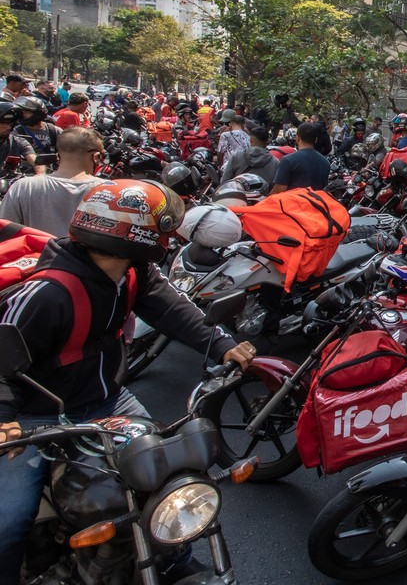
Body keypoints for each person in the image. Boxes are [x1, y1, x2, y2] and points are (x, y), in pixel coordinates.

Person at [0, 180, 258, 582]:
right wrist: (3, 418)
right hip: (34, 416)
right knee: (8, 521)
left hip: (108, 400)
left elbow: (175, 310)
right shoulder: (47, 293)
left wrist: (225, 344)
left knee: (166, 477)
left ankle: (171, 556)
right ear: (140, 235)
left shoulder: (132, 273)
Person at [0, 127, 104, 236]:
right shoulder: (106, 190)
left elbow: (5, 231)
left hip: (37, 252)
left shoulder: (24, 186)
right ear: (96, 157)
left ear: (58, 156)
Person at [270, 122, 332, 193]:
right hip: (317, 203)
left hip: (293, 203)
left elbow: (278, 191)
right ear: (316, 140)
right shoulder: (325, 162)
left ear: (297, 139)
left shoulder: (288, 160)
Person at [0, 102, 43, 174]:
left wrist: (40, 175)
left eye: (10, 124)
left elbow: (36, 162)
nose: (8, 127)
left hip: (11, 183)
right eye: (3, 124)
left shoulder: (18, 142)